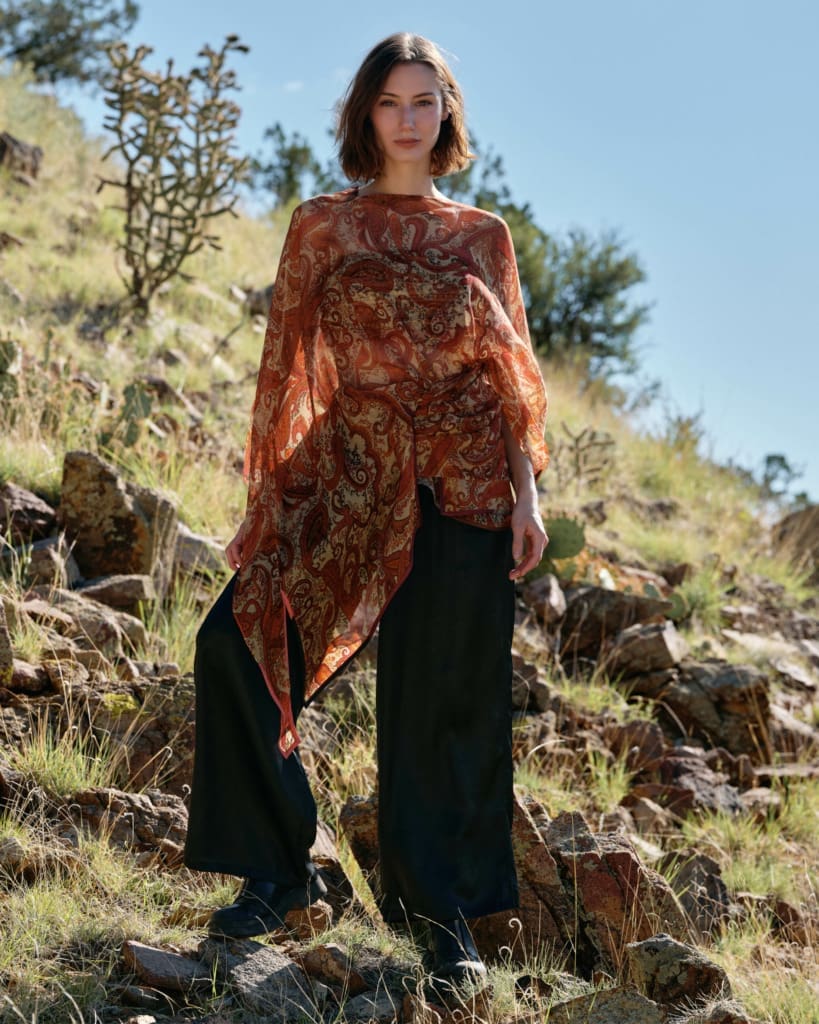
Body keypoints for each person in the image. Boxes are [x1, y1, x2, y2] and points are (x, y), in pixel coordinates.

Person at [183, 31, 549, 989]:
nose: (407, 119)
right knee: (235, 645)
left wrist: (527, 495)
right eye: (390, 102)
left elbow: (511, 379)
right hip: (348, 473)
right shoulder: (323, 228)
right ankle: (276, 873)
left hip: (464, 485)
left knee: (442, 707)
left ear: (447, 115)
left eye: (424, 101)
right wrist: (274, 494)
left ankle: (442, 921)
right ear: (365, 114)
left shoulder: (482, 237)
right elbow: (285, 368)